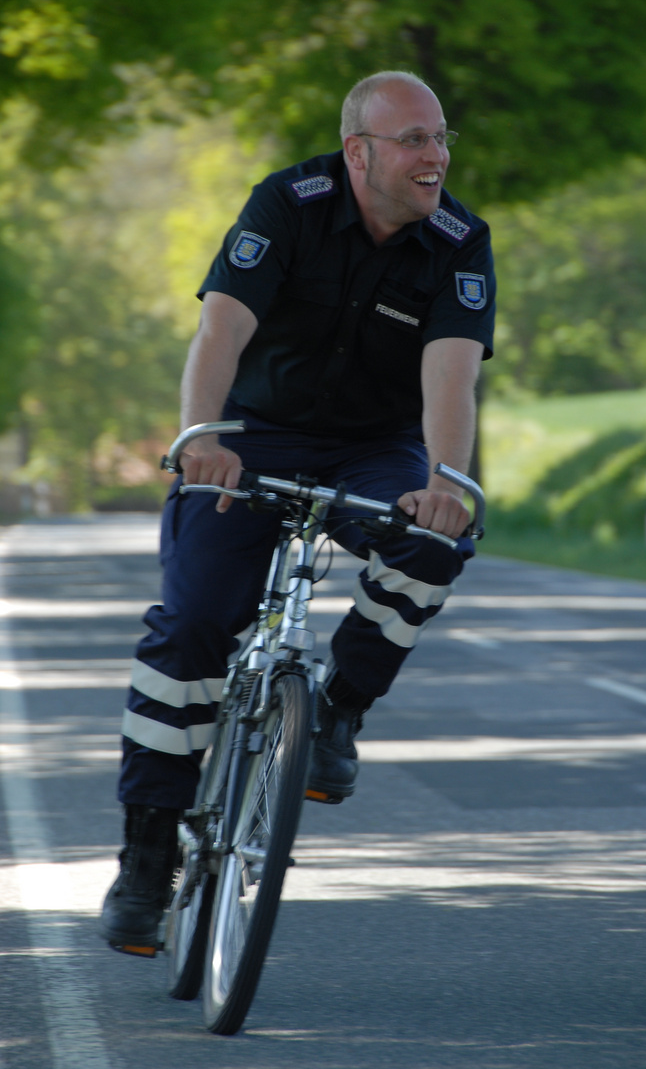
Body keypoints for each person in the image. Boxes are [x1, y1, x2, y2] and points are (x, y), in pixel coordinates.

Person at [100, 70, 496, 953]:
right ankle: (145, 853)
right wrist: (202, 435)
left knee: (435, 546)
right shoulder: (288, 202)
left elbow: (452, 374)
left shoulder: (460, 242)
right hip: (252, 435)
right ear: (360, 152)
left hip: (375, 447)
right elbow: (221, 331)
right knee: (193, 626)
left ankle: (340, 710)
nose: (434, 157)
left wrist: (444, 483)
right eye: (413, 140)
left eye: (440, 139)